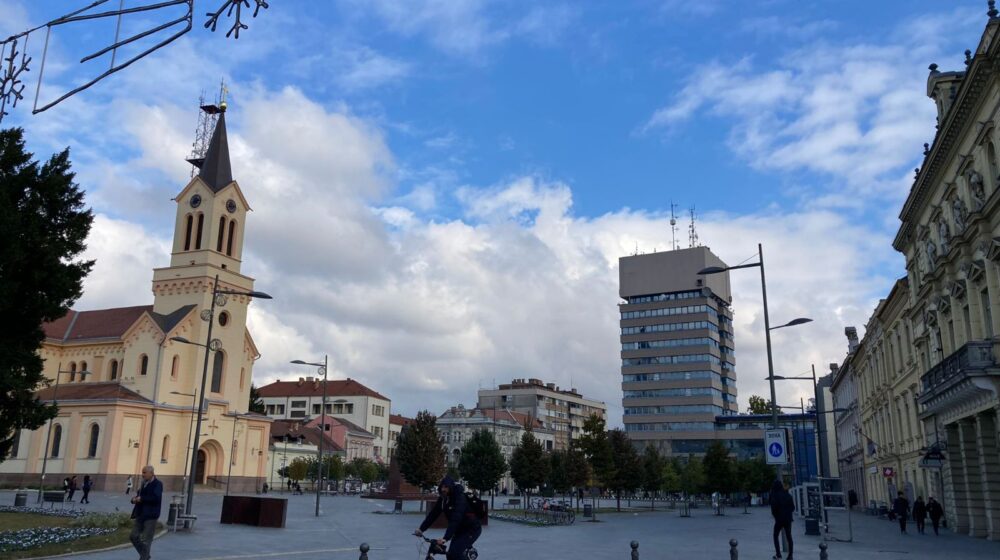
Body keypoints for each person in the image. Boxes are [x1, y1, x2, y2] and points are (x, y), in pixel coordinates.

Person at [415, 475, 482, 560]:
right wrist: (421, 529)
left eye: (446, 487)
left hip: (471, 529)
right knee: (450, 555)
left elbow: (455, 519)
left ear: (451, 487)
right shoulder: (443, 499)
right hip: (459, 531)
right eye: (442, 487)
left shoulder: (460, 498)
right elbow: (433, 514)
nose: (443, 489)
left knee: (455, 554)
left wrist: (445, 538)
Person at [130, 466, 162, 560]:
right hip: (141, 514)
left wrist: (142, 499)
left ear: (151, 473)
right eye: (142, 472)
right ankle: (145, 555)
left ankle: (144, 558)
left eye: (144, 472)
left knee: (146, 540)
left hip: (151, 515)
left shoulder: (158, 484)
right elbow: (140, 496)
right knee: (133, 536)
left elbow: (156, 498)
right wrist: (134, 499)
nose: (142, 475)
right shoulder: (143, 483)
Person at [770, 480, 794, 560]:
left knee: (775, 535)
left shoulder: (775, 495)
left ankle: (778, 554)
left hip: (779, 519)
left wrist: (776, 516)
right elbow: (792, 507)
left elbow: (774, 508)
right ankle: (790, 555)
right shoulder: (788, 495)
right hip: (788, 519)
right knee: (789, 536)